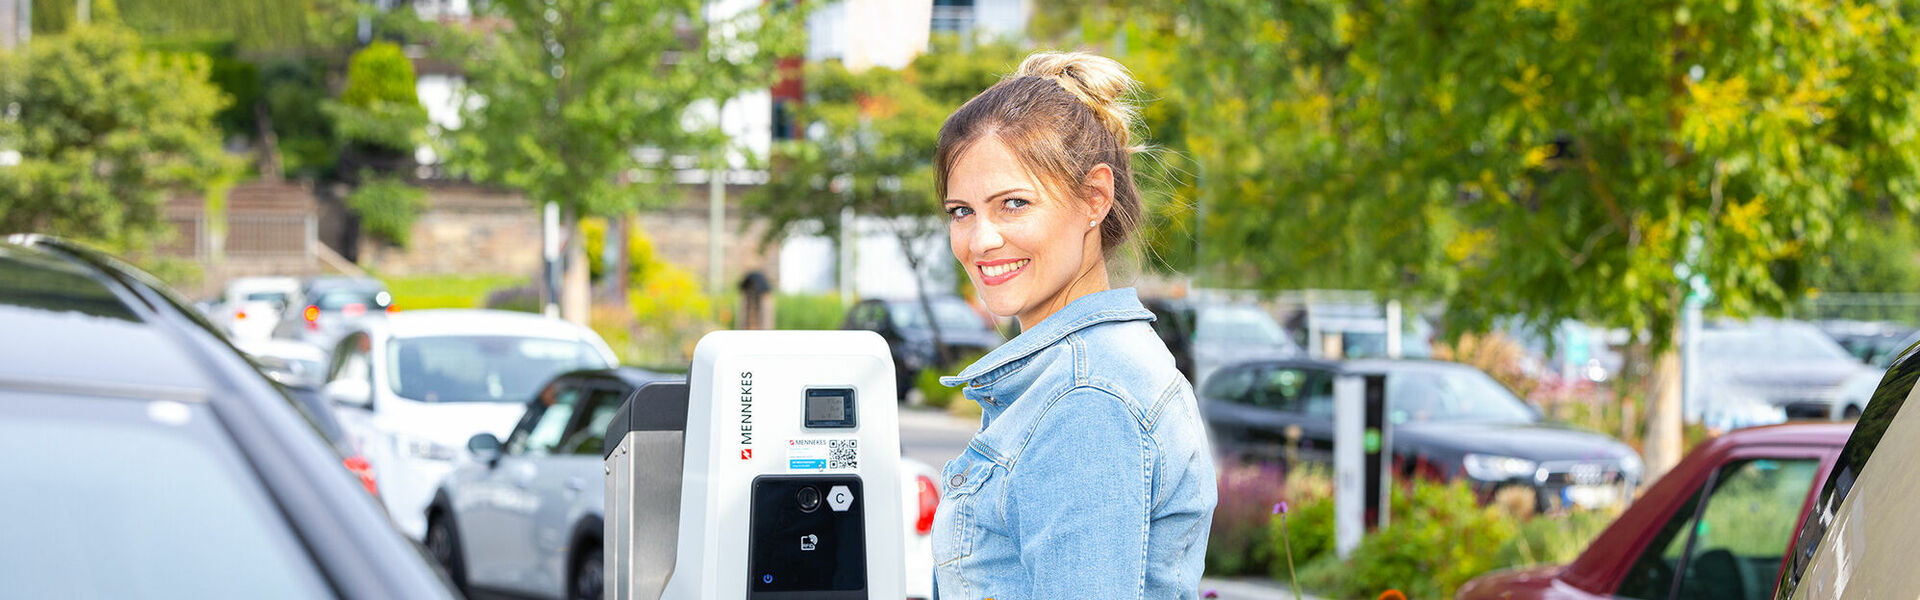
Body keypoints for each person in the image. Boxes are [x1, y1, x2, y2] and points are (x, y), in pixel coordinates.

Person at [930, 51, 1217, 599]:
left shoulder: (1085, 397)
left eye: (1013, 204)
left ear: (1094, 198)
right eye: (961, 211)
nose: (980, 240)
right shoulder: (1085, 372)